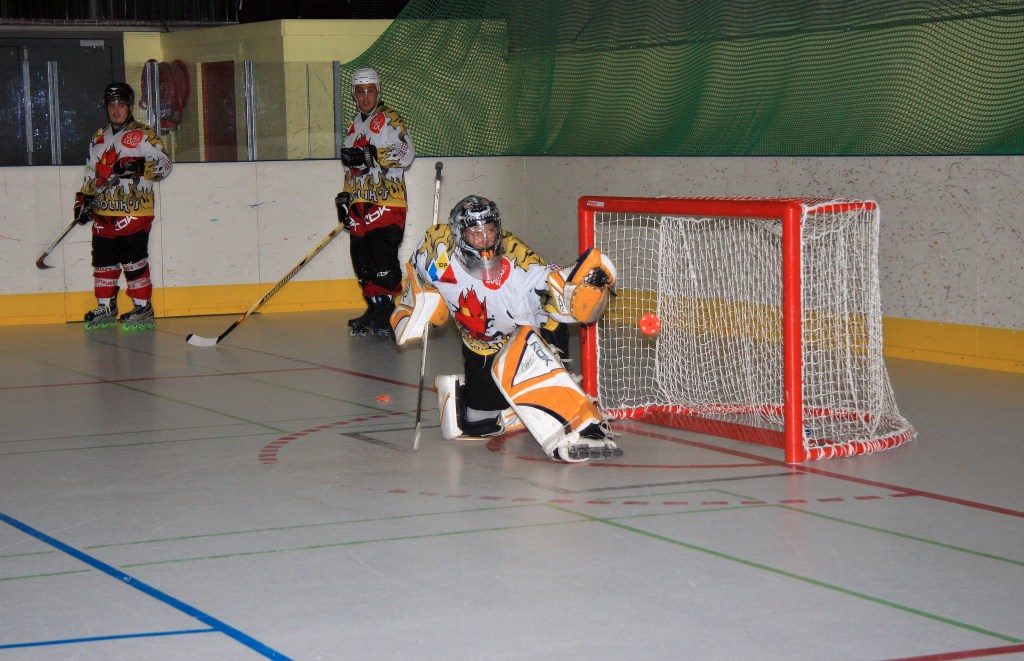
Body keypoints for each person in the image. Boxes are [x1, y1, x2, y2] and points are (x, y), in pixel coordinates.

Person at [390, 195, 622, 462]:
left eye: (490, 230)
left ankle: (583, 422)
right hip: (480, 343)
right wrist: (422, 302)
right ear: (458, 233)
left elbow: (556, 283)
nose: (485, 239)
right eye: (475, 233)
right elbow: (417, 274)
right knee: (478, 421)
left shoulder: (518, 258)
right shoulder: (437, 248)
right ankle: (512, 409)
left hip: (527, 336)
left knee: (526, 357)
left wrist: (585, 285)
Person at [77, 82, 173, 331]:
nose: (116, 110)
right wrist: (84, 199)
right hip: (103, 211)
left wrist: (138, 165)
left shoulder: (143, 134)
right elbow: (91, 171)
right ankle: (106, 306)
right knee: (103, 260)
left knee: (133, 260)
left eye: (121, 104)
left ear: (129, 107)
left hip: (134, 210)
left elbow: (165, 165)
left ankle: (142, 306)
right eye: (112, 105)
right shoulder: (98, 137)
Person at [336, 67, 416, 338]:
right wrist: (345, 199)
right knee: (362, 260)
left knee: (382, 258)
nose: (365, 96)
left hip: (387, 201)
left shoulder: (390, 118)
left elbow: (406, 154)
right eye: (360, 91)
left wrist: (371, 155)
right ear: (354, 94)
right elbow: (350, 168)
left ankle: (387, 310)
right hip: (360, 203)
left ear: (378, 91)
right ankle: (374, 307)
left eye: (370, 90)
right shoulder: (353, 126)